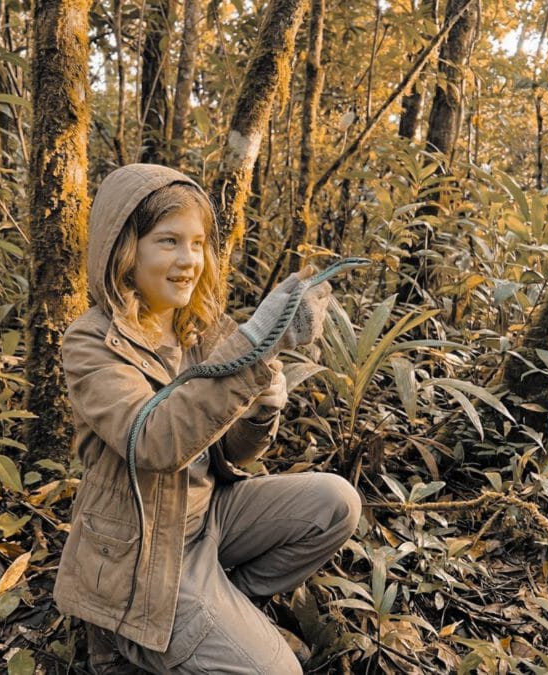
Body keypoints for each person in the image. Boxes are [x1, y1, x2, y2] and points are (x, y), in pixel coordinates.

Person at [52, 164, 361, 674]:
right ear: (124, 251)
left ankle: (224, 609)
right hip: (144, 552)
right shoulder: (90, 343)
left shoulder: (199, 329)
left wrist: (263, 409)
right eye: (168, 241)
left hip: (206, 519)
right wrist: (254, 347)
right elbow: (152, 444)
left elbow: (231, 451)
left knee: (336, 503)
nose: (188, 260)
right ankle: (124, 631)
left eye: (197, 244)